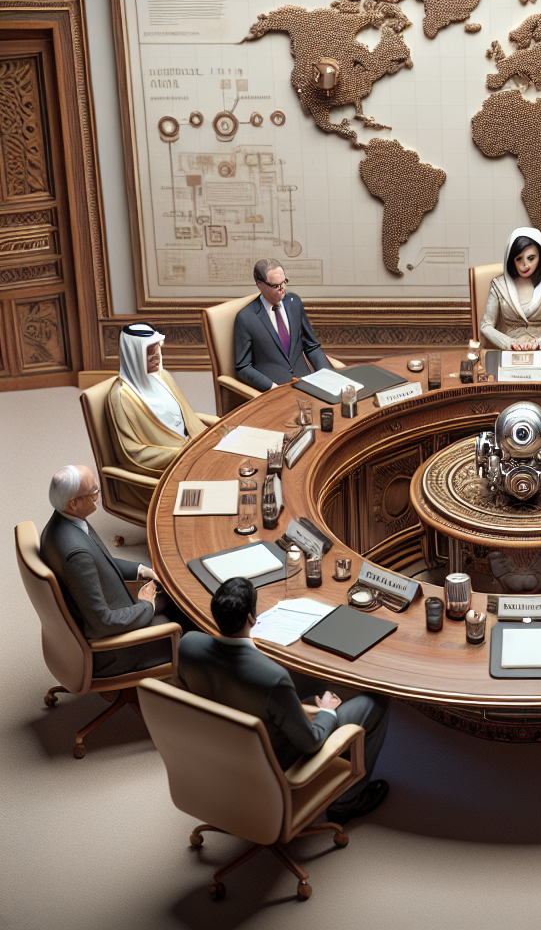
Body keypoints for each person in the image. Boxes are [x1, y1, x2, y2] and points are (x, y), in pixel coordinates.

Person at [177, 577, 391, 824]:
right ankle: (347, 801)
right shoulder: (272, 678)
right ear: (251, 618)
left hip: (218, 749)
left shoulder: (188, 644)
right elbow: (311, 743)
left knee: (307, 681)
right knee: (377, 701)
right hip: (272, 760)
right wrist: (326, 713)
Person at [38, 465, 174, 677]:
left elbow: (100, 563)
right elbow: (103, 623)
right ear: (73, 503)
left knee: (172, 596)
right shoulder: (76, 555)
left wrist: (141, 569)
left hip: (115, 609)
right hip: (117, 650)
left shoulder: (63, 522)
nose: (98, 496)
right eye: (94, 492)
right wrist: (146, 605)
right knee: (188, 625)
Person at [107, 324, 206, 498]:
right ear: (133, 355)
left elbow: (188, 419)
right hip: (169, 469)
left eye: (157, 349)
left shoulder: (163, 376)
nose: (157, 357)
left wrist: (204, 441)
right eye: (149, 352)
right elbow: (133, 454)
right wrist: (180, 454)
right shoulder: (122, 396)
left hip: (193, 451)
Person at [234, 258, 331, 391]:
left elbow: (312, 346)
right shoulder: (246, 318)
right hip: (275, 389)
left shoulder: (294, 302)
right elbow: (243, 367)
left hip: (307, 384)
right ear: (260, 284)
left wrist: (329, 376)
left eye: (284, 282)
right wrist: (271, 387)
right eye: (275, 286)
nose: (282, 289)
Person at [479, 227, 541, 350]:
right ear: (511, 260)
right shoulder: (499, 285)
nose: (525, 265)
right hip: (508, 352)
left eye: (531, 258)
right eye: (519, 259)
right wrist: (509, 343)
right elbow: (486, 326)